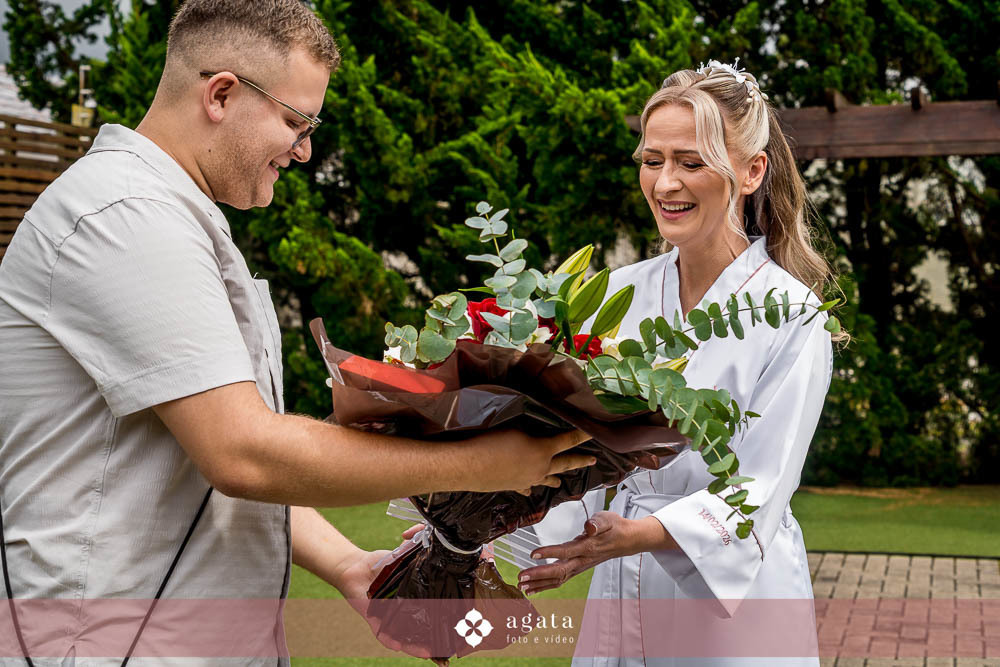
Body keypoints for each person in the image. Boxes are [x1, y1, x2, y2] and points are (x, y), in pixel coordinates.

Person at [0, 1, 593, 663]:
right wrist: (479, 468)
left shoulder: (170, 217)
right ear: (221, 93)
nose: (305, 150)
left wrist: (347, 564)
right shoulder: (125, 217)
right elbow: (245, 453)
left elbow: (204, 468)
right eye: (294, 121)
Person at [516, 60, 837, 666]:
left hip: (736, 611)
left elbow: (760, 487)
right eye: (651, 160)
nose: (666, 183)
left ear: (751, 172)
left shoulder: (793, 314)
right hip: (622, 581)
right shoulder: (616, 295)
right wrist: (479, 528)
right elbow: (577, 449)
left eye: (691, 162)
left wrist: (639, 535)